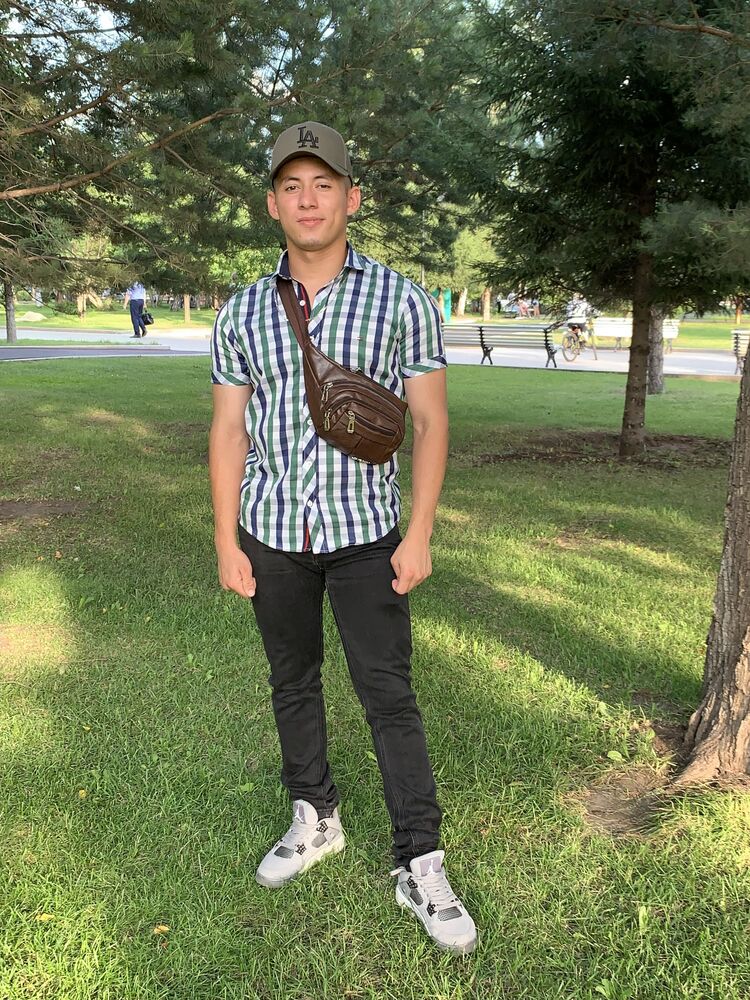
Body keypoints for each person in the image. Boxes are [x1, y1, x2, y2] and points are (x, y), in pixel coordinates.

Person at [209, 121, 477, 955]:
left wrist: (419, 533)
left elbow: (430, 423)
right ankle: (315, 815)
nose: (308, 200)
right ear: (272, 205)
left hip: (368, 535)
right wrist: (226, 539)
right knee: (292, 680)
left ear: (351, 198)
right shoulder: (243, 310)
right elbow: (228, 430)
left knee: (387, 694)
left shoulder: (402, 299)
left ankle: (420, 859)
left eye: (323, 184)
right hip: (272, 531)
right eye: (291, 186)